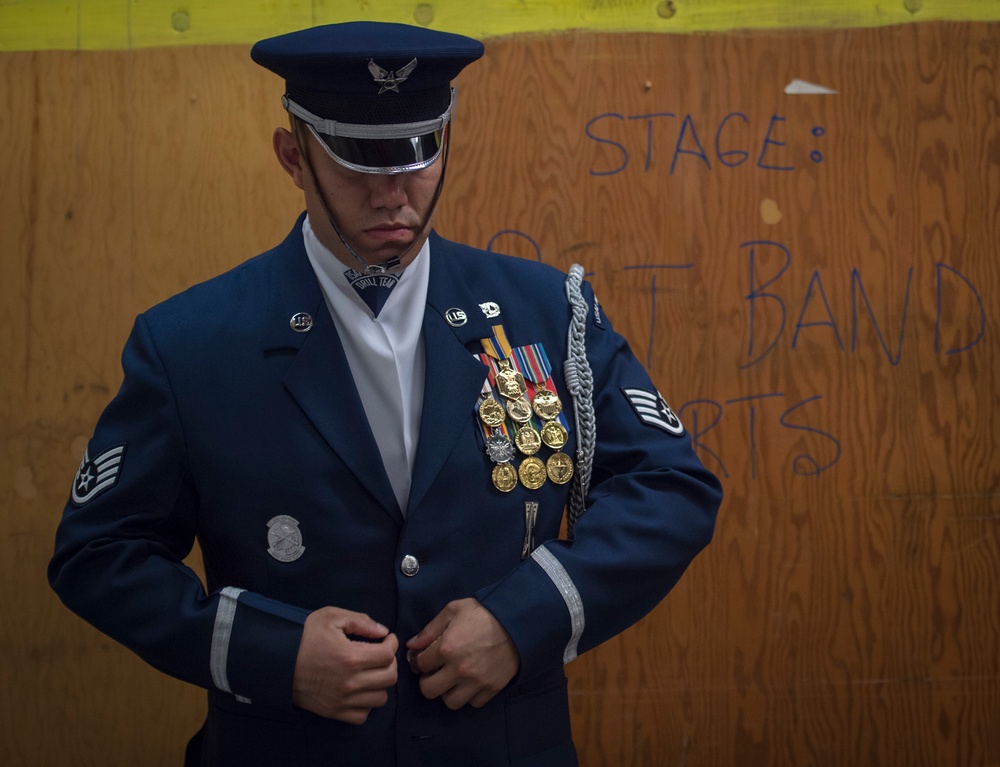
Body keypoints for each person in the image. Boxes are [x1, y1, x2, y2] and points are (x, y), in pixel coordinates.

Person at [49, 21, 722, 766]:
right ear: (292, 157)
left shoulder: (546, 311)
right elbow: (99, 551)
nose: (393, 193)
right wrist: (269, 653)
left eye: (416, 157)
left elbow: (671, 487)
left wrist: (523, 617)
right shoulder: (190, 342)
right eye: (357, 162)